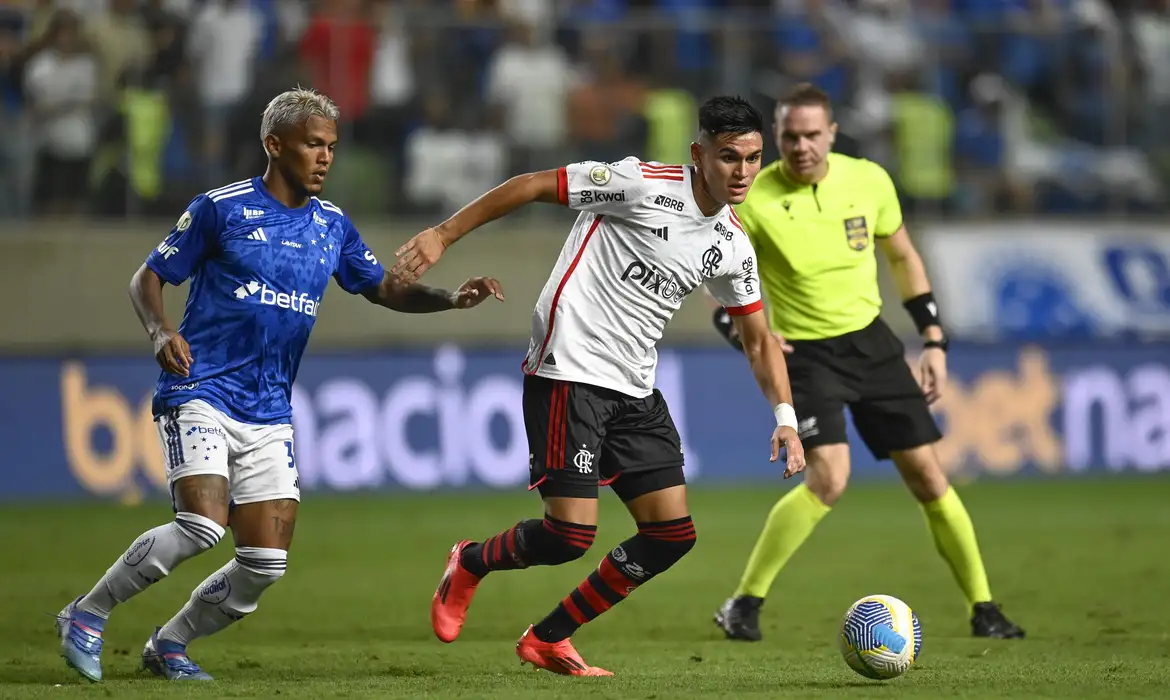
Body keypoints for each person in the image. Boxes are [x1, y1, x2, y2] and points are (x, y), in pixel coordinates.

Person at [55, 87, 504, 683]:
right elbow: (148, 277)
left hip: (269, 409)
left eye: (332, 147)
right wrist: (161, 333)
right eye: (313, 144)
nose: (325, 158)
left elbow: (383, 288)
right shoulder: (221, 209)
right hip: (203, 388)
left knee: (264, 563)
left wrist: (450, 299)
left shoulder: (332, 225)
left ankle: (170, 645)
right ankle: (86, 614)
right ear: (274, 145)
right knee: (202, 526)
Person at [391, 96, 807, 676]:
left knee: (670, 534)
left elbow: (760, 339)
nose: (741, 172)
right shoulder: (638, 184)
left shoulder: (733, 245)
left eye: (753, 158)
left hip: (635, 387)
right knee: (569, 534)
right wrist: (443, 234)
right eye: (728, 156)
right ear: (699, 153)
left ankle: (548, 638)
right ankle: (470, 562)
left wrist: (785, 418)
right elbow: (533, 183)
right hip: (570, 370)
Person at [710, 83, 1025, 642]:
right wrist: (745, 337)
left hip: (872, 345)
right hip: (806, 356)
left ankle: (985, 608)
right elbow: (718, 288)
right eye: (789, 136)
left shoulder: (869, 180)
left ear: (831, 133)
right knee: (829, 478)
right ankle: (744, 603)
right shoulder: (753, 200)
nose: (801, 146)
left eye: (811, 134)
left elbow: (903, 257)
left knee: (930, 477)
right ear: (777, 138)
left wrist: (932, 338)